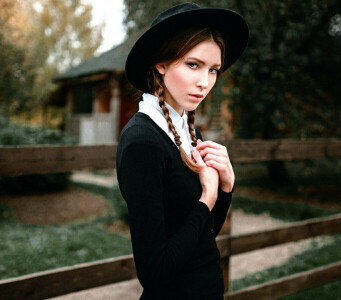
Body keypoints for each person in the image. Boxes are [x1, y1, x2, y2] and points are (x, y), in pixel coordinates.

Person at [116, 2, 248, 299]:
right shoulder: (142, 142)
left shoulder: (188, 132)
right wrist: (207, 197)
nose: (204, 83)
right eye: (193, 64)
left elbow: (201, 237)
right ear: (160, 63)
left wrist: (226, 187)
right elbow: (155, 273)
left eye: (213, 70)